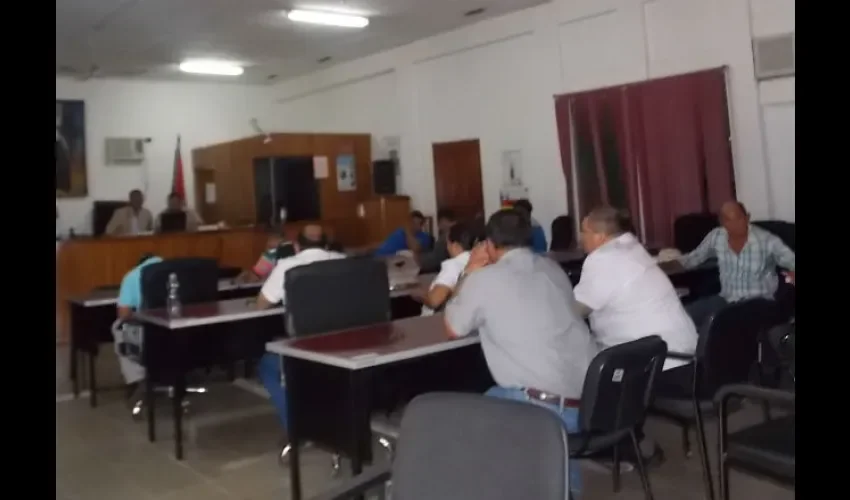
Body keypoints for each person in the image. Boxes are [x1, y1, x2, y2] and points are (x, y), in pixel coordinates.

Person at [444, 209, 596, 498]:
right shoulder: (552, 268)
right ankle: (566, 489)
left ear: (489, 244)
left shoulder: (484, 279)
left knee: (457, 420)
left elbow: (453, 327)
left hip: (544, 409)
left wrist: (469, 271)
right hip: (590, 400)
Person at [574, 207, 698, 369]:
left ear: (600, 236)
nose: (580, 238)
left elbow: (574, 311)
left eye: (584, 232)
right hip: (685, 354)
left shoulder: (602, 259)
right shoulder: (633, 247)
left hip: (657, 363)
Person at [254, 224, 346, 432]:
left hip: (306, 349)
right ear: (326, 244)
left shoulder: (287, 266)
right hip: (347, 345)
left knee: (268, 365)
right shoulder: (344, 260)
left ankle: (297, 427)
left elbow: (261, 304)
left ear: (296, 246)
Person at [666, 201, 796, 330]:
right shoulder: (717, 236)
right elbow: (692, 259)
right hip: (725, 299)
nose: (734, 225)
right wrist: (659, 269)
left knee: (717, 325)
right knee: (679, 317)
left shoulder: (767, 241)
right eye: (728, 220)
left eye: (738, 218)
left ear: (747, 217)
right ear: (722, 222)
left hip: (757, 303)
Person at [114, 254, 164, 400]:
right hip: (177, 329)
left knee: (118, 328)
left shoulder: (132, 276)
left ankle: (136, 377)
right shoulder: (175, 270)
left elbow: (124, 314)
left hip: (147, 330)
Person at [415, 222, 475, 315]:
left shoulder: (453, 266)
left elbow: (434, 301)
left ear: (454, 245)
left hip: (433, 320)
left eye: (447, 243)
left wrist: (418, 294)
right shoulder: (477, 262)